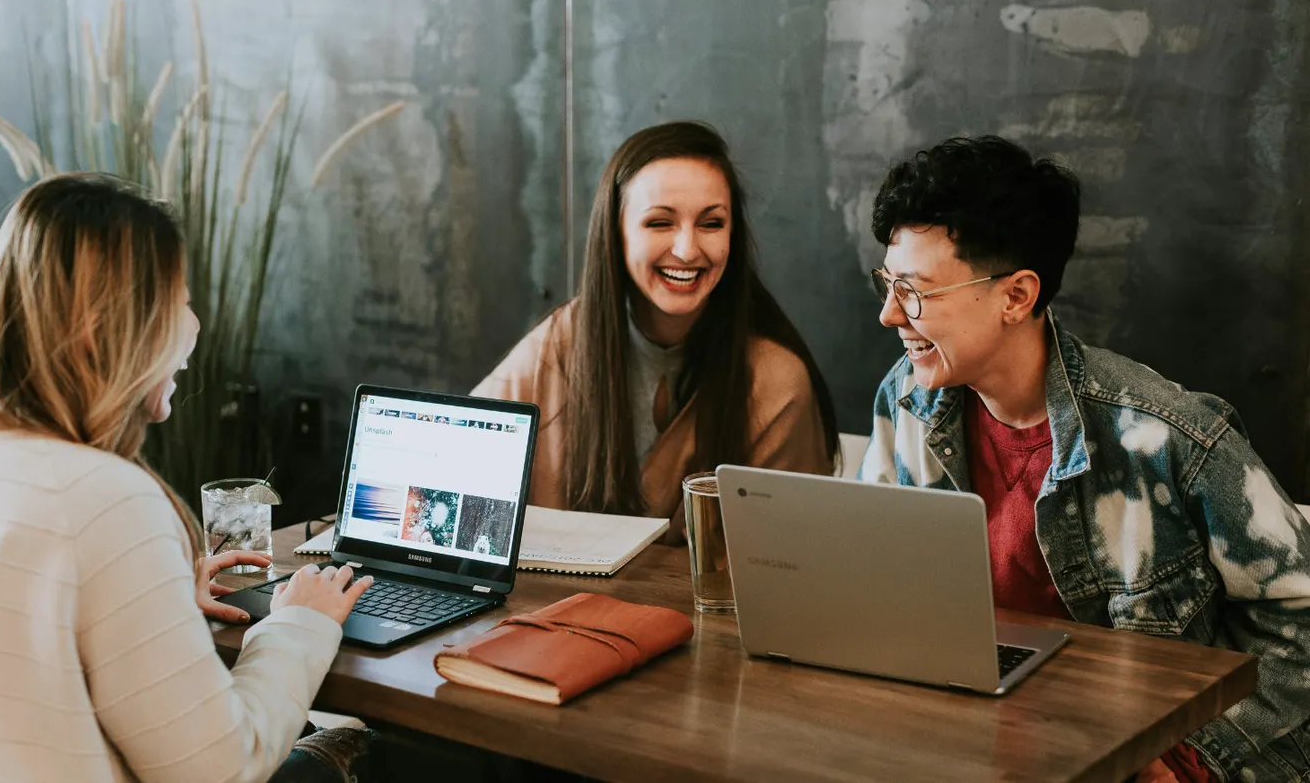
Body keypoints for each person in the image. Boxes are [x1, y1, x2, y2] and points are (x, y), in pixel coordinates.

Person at [857, 136, 1310, 782]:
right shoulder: (905, 399)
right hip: (961, 735)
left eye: (913, 290)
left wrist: (1189, 759)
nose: (888, 313)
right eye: (886, 283)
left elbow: (1300, 620)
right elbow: (868, 582)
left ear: (1016, 296)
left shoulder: (1167, 436)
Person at [0, 173, 390, 782]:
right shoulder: (106, 499)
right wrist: (302, 622)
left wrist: (155, 604)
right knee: (357, 745)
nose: (192, 328)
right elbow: (221, 769)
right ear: (102, 327)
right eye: (178, 302)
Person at [475, 121, 838, 540]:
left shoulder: (776, 382)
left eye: (712, 223)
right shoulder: (561, 342)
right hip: (555, 605)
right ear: (617, 234)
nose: (687, 249)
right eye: (660, 223)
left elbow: (791, 562)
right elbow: (454, 463)